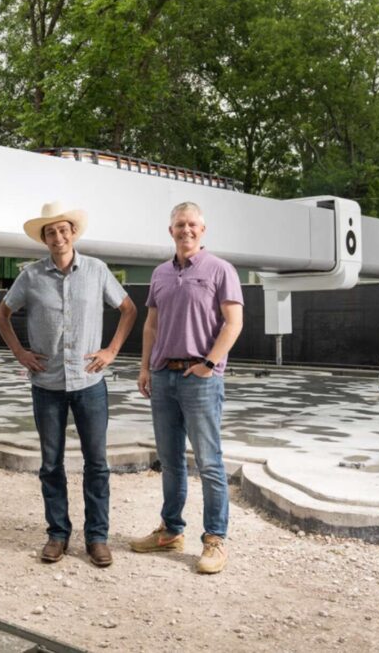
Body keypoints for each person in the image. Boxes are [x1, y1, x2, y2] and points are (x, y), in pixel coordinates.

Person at [0, 202, 137, 567]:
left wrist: (111, 350)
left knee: (97, 463)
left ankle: (97, 537)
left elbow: (129, 309)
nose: (58, 237)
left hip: (90, 381)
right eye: (50, 232)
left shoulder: (96, 270)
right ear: (44, 239)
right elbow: (2, 314)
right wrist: (20, 353)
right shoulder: (30, 276)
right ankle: (57, 534)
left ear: (73, 233)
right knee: (51, 464)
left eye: (63, 230)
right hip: (47, 384)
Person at [130, 201, 243, 575]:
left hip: (200, 379)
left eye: (193, 224)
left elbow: (233, 323)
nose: (186, 230)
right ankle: (170, 531)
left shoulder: (220, 270)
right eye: (180, 224)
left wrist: (209, 364)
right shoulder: (161, 273)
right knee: (171, 462)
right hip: (163, 377)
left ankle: (214, 539)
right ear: (171, 230)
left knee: (209, 463)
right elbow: (150, 325)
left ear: (203, 230)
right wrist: (145, 367)